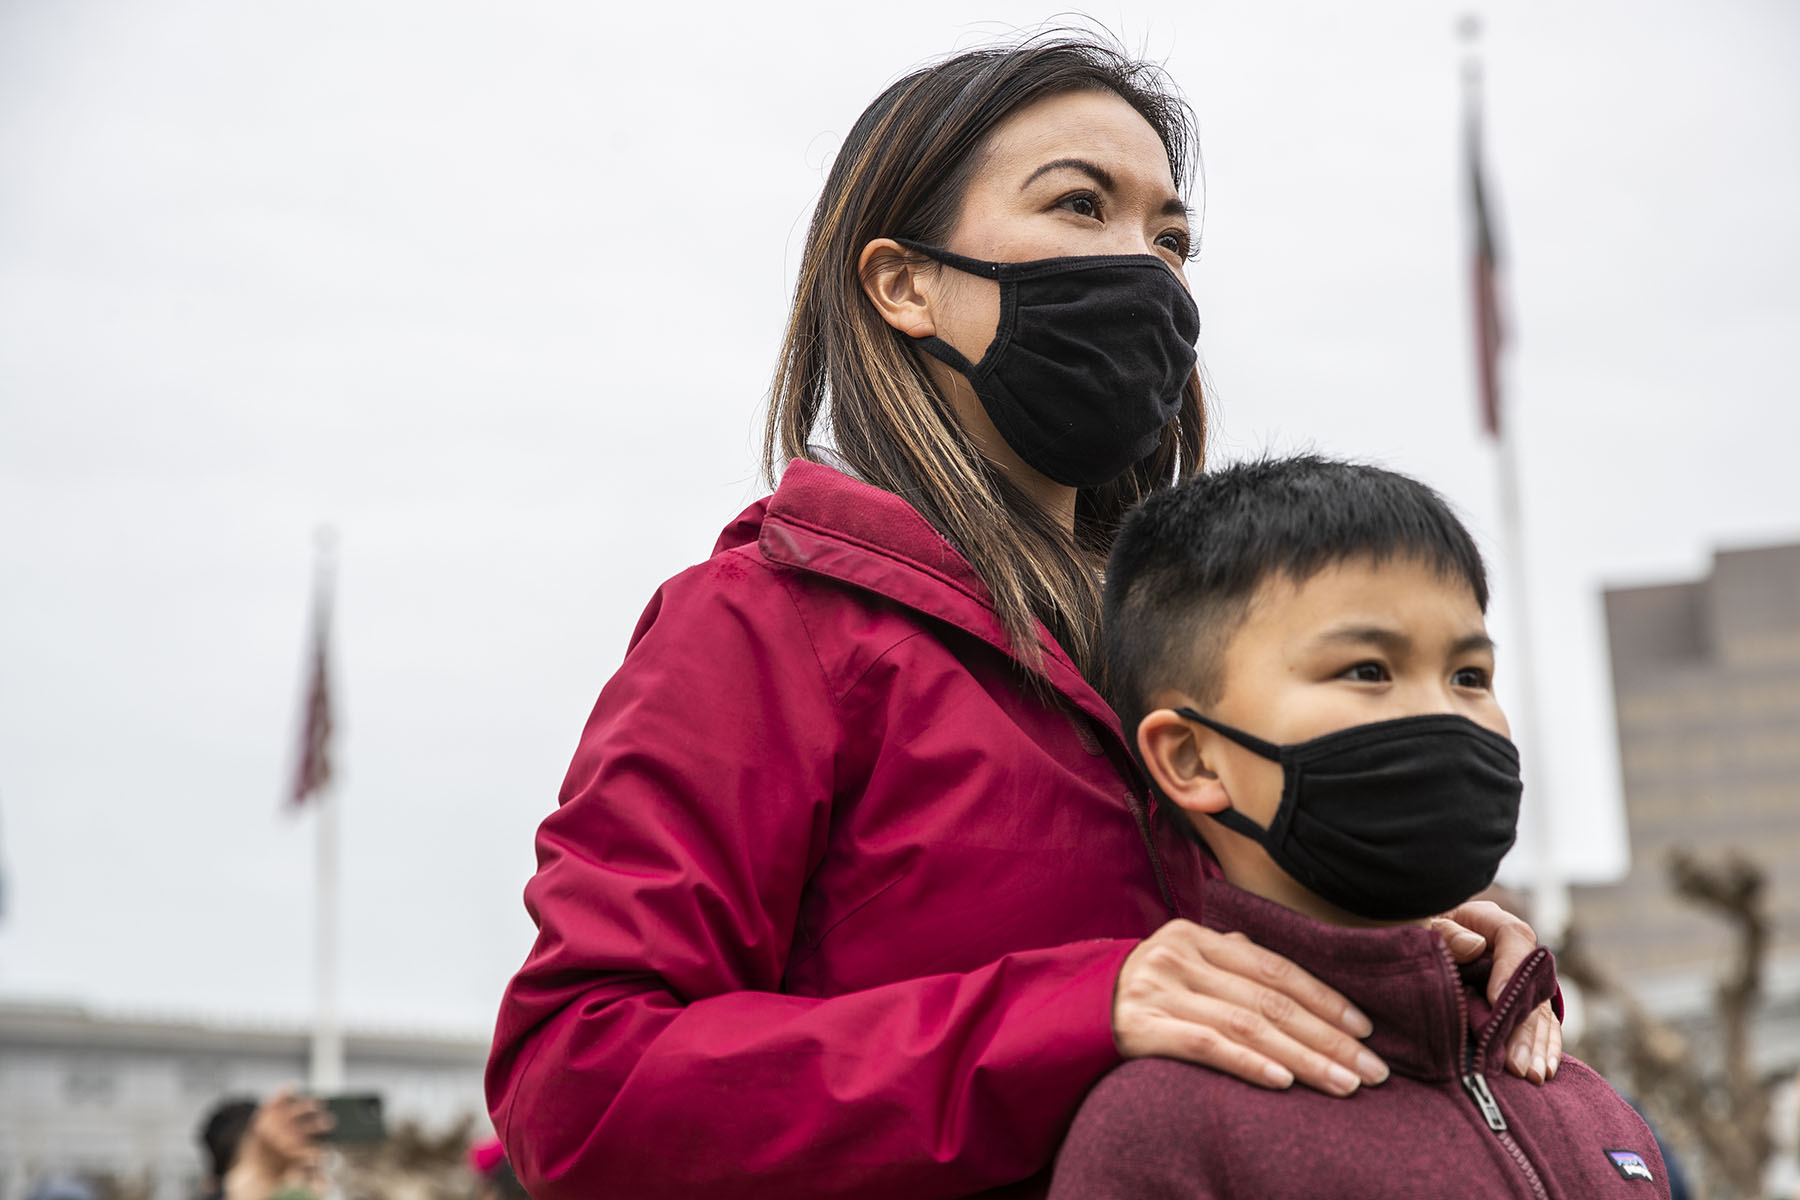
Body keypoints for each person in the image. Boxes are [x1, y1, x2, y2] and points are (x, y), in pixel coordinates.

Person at [486, 35, 1557, 1200]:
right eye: (1081, 206)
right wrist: (1075, 1012)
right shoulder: (765, 624)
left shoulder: (1181, 637)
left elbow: (1230, 988)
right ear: (902, 283)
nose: (1144, 270)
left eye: (1170, 238)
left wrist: (1405, 948)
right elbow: (579, 1086)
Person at [1048, 456, 1669, 1198]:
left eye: (1470, 676)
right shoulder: (1167, 1131)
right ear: (1193, 759)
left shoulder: (1597, 1112)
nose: (1443, 712)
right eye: (1368, 670)